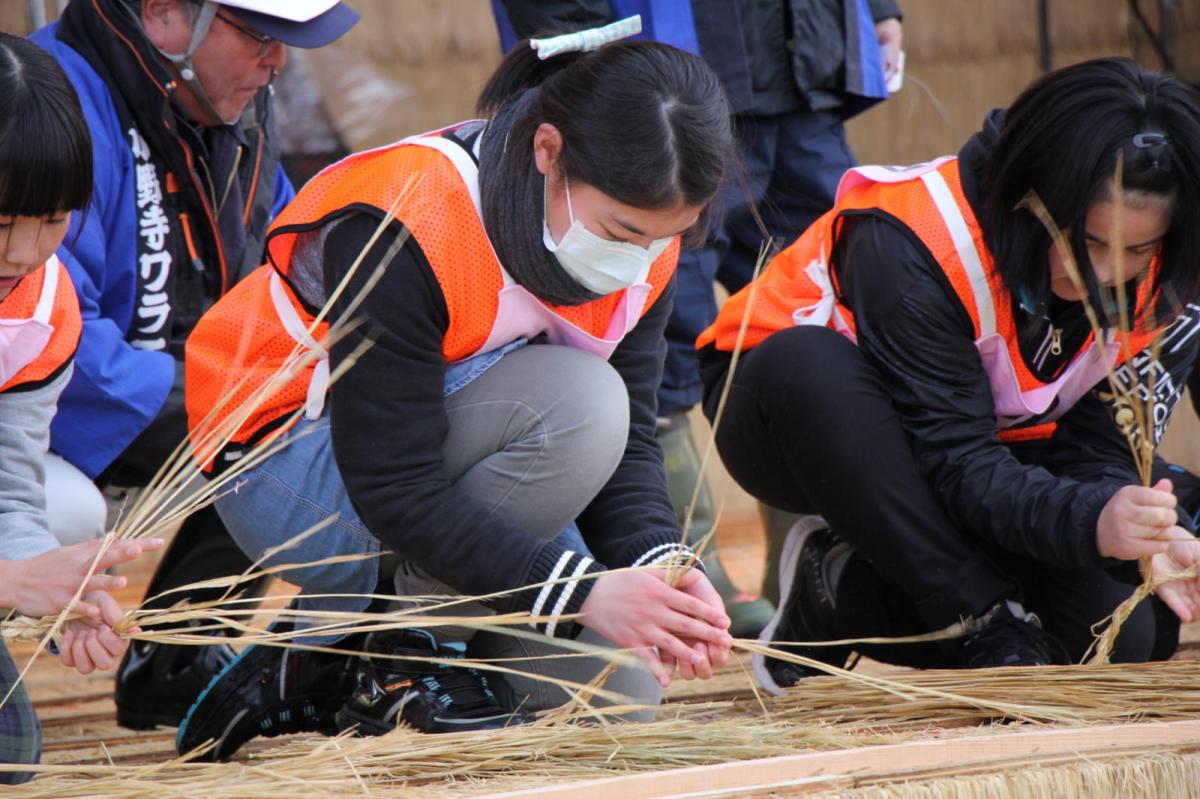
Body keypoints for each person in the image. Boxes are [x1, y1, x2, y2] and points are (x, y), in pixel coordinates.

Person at [174, 24, 736, 760]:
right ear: (548, 152)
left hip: (455, 470)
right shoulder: (414, 213)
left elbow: (630, 445)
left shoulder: (644, 244)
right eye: (623, 231)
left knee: (616, 694)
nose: (641, 260)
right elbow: (394, 483)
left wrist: (661, 565)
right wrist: (578, 591)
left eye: (666, 238)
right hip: (296, 475)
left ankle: (325, 656)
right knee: (585, 404)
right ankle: (406, 648)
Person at [697, 57, 1200, 693]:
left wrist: (1117, 518)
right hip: (798, 418)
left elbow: (1098, 447)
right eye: (1088, 241)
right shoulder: (914, 240)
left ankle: (840, 586)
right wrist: (1078, 528)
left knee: (1125, 637)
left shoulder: (1169, 278)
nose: (1101, 275)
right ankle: (978, 615)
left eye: (1136, 249)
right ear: (1031, 198)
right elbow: (955, 461)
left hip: (991, 447)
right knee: (809, 365)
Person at [493, 0, 903, 633]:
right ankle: (685, 557)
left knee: (822, 320)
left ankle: (808, 561)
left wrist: (880, 9)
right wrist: (591, 53)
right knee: (663, 336)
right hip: (666, 91)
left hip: (804, 77)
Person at [30, 0, 360, 731]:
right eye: (262, 36)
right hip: (40, 422)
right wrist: (231, 399)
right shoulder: (47, 99)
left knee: (318, 405)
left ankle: (179, 657)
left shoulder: (229, 108)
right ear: (164, 15)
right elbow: (52, 330)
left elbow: (291, 270)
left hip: (156, 390)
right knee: (266, 425)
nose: (279, 61)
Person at [0, 33, 167, 782]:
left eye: (54, 220)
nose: (25, 254)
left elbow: (9, 490)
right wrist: (9, 584)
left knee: (66, 511)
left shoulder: (43, 306)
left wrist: (56, 594)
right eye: (2, 224)